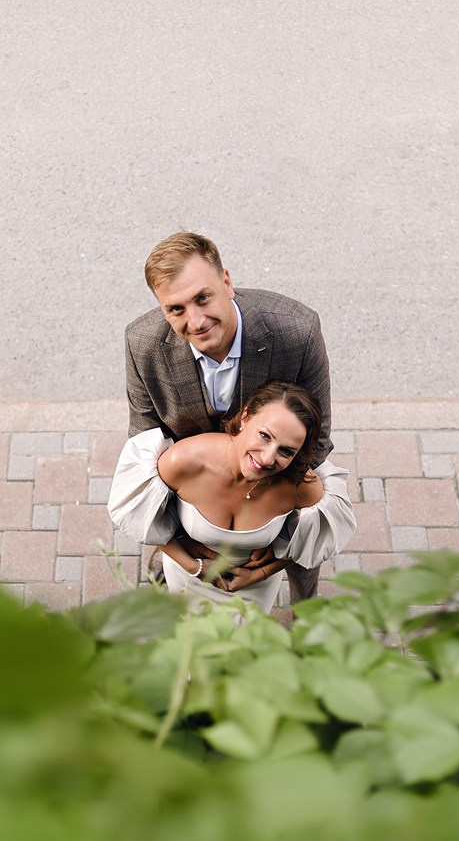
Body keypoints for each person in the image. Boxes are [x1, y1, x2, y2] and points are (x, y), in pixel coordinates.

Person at [124, 231, 332, 601]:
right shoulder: (142, 344)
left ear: (226, 282)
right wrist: (176, 543)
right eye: (176, 309)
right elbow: (143, 443)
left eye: (203, 298)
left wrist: (273, 551)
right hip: (193, 487)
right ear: (162, 308)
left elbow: (318, 437)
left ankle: (307, 617)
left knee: (305, 547)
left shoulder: (297, 331)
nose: (196, 321)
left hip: (276, 478)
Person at [108, 382, 355, 613]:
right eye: (265, 436)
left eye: (286, 451)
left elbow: (308, 545)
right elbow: (144, 521)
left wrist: (260, 573)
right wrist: (194, 567)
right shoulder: (183, 461)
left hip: (254, 590)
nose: (268, 458)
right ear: (246, 416)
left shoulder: (301, 487)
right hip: (188, 578)